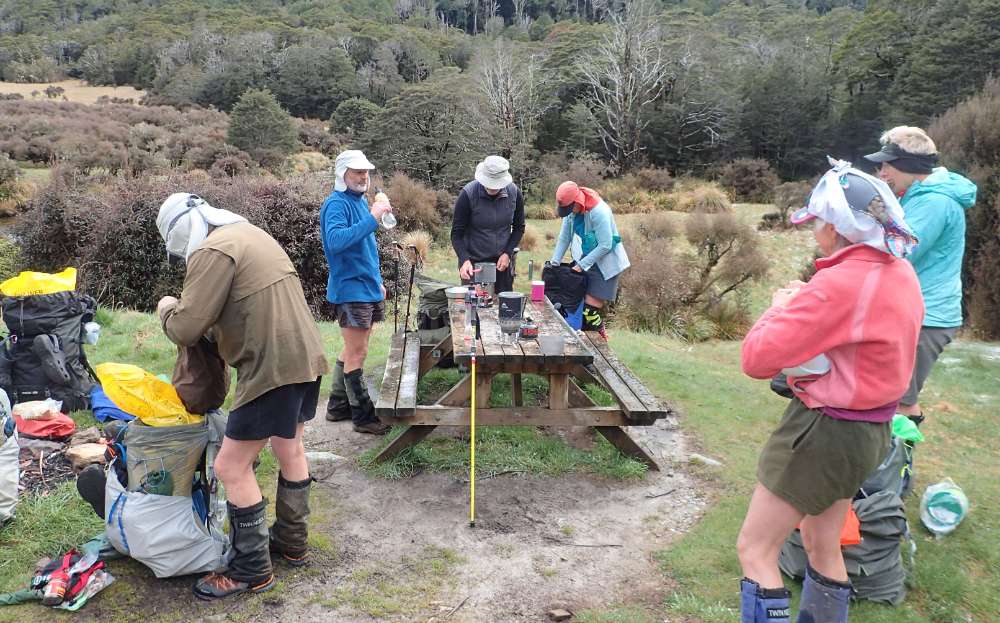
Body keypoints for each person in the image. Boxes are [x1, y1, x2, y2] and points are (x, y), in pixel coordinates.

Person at [736, 160, 923, 622]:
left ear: (837, 227)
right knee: (823, 545)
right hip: (870, 432)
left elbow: (756, 360)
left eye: (818, 221)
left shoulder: (840, 283)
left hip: (823, 431)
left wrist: (781, 308)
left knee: (756, 550)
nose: (814, 231)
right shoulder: (899, 274)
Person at [156, 192, 330, 600]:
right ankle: (292, 545)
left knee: (230, 467)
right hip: (306, 356)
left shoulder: (213, 250)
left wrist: (166, 306)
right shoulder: (251, 233)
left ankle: (250, 569)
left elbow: (185, 327)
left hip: (271, 367)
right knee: (290, 449)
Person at [863, 126, 977, 423]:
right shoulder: (917, 195)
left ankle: (897, 466)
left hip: (926, 318)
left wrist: (880, 218)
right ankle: (888, 465)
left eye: (888, 164)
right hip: (916, 312)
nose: (882, 171)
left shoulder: (935, 202)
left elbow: (901, 250)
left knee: (899, 402)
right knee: (894, 396)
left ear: (910, 166)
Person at [320, 150, 393, 435]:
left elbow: (365, 248)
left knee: (352, 348)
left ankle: (337, 407)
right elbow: (336, 242)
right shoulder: (335, 204)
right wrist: (373, 218)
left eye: (366, 172)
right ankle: (364, 416)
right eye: (357, 172)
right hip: (350, 290)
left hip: (367, 287)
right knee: (358, 352)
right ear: (342, 175)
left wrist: (377, 280)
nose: (364, 177)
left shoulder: (360, 201)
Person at [548, 181, 630, 339]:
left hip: (605, 263)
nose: (568, 212)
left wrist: (581, 265)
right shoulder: (571, 213)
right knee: (577, 309)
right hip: (585, 259)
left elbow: (606, 245)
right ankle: (584, 347)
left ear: (577, 201)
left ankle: (600, 336)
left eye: (569, 208)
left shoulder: (599, 211)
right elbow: (564, 238)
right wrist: (554, 263)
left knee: (589, 312)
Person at [450, 155, 525, 294]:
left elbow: (519, 227)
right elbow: (456, 234)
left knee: (504, 310)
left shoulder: (515, 193)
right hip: (473, 264)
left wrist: (507, 253)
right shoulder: (467, 194)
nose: (492, 187)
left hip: (501, 264)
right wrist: (464, 259)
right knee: (474, 311)